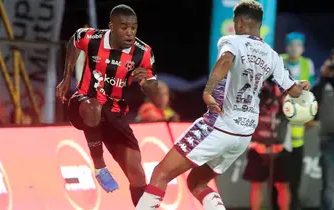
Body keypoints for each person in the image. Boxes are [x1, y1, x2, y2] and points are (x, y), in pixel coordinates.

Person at [135, 0, 309, 209]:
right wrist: (302, 86)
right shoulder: (271, 55)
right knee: (197, 182)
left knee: (160, 174)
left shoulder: (232, 42)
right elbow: (294, 90)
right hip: (243, 136)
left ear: (241, 21)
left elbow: (226, 60)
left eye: (236, 22)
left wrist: (208, 91)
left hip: (218, 125)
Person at [55, 4, 158, 206]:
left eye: (133, 28)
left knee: (136, 172)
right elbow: (75, 40)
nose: (130, 32)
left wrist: (147, 83)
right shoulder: (93, 39)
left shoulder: (143, 52)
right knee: (93, 107)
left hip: (116, 113)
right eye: (124, 27)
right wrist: (67, 77)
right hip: (84, 102)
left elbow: (154, 88)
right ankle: (100, 167)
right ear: (112, 26)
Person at [280, 32, 316, 210]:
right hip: (279, 130)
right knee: (278, 177)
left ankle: (294, 204)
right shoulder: (278, 60)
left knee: (295, 175)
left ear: (303, 48)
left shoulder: (307, 64)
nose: (295, 47)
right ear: (286, 46)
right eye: (291, 44)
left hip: (297, 132)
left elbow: (311, 92)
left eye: (298, 44)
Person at [243, 80, 291, 210]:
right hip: (257, 146)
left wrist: (282, 94)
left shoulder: (282, 89)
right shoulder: (253, 89)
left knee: (283, 185)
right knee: (257, 185)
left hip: (280, 146)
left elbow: (289, 113)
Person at [311, 47, 334, 210]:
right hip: (329, 138)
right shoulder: (326, 81)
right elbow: (313, 102)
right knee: (328, 185)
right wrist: (323, 78)